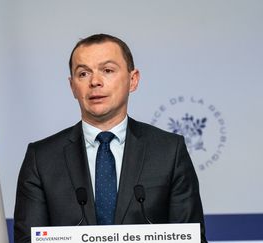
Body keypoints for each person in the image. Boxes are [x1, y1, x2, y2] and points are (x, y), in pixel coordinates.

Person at [14, 33, 207, 243]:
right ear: (72, 87)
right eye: (83, 74)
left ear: (133, 80)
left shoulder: (169, 151)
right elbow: (28, 239)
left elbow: (192, 238)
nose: (95, 82)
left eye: (107, 70)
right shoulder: (41, 158)